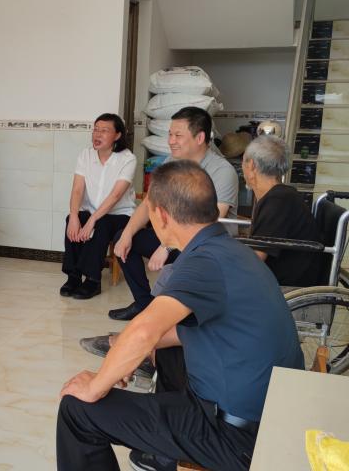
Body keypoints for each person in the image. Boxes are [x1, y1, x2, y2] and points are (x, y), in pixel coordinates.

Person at [56, 160, 304, 471]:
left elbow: (144, 330)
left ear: (160, 216)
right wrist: (124, 354)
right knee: (166, 351)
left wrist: (96, 385)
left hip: (237, 437)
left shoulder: (203, 262)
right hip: (270, 413)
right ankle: (162, 453)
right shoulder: (232, 249)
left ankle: (167, 446)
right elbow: (171, 333)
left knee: (77, 410)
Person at [107, 106, 238, 321]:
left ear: (200, 138)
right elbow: (149, 203)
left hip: (207, 247)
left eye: (178, 135)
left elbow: (208, 223)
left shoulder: (222, 171)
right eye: (169, 134)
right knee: (125, 238)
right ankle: (143, 303)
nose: (171, 141)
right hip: (177, 239)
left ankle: (172, 314)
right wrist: (127, 234)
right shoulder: (172, 163)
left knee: (178, 265)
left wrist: (165, 246)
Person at [60, 113, 136, 300]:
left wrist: (93, 220)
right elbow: (77, 189)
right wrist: (75, 216)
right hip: (92, 211)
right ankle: (74, 276)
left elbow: (115, 195)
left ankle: (93, 280)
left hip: (120, 215)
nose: (97, 134)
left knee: (102, 224)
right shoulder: (85, 155)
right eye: (95, 129)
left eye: (104, 130)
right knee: (72, 219)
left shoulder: (128, 159)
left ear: (117, 135)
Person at [243, 135, 324, 287]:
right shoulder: (280, 196)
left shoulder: (278, 201)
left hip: (285, 283)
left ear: (252, 165)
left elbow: (255, 259)